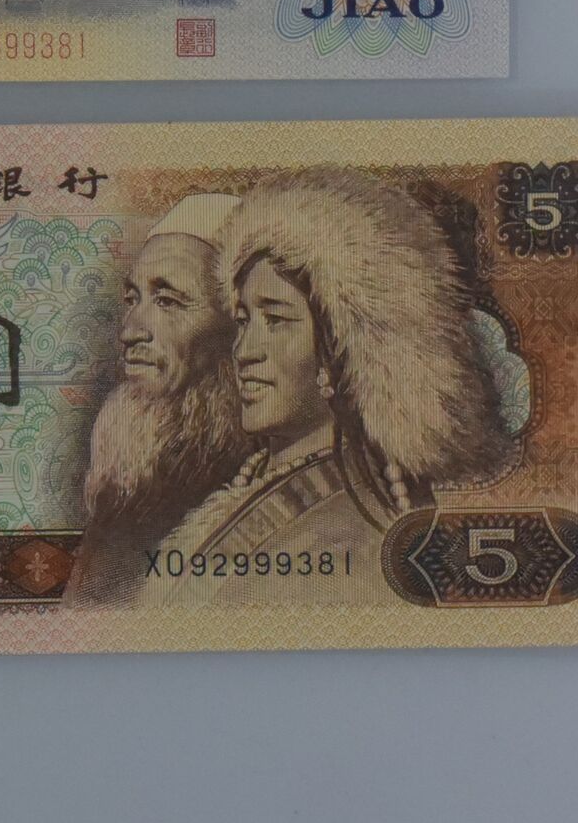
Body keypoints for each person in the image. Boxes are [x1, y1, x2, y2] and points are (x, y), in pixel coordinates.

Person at [148, 166, 509, 605]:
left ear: (339, 349)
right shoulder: (258, 483)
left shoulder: (351, 532)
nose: (244, 350)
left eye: (276, 320)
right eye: (242, 320)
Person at [64, 193, 248, 605]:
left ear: (236, 327)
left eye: (167, 301)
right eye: (133, 299)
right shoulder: (126, 489)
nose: (130, 331)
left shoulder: (258, 488)